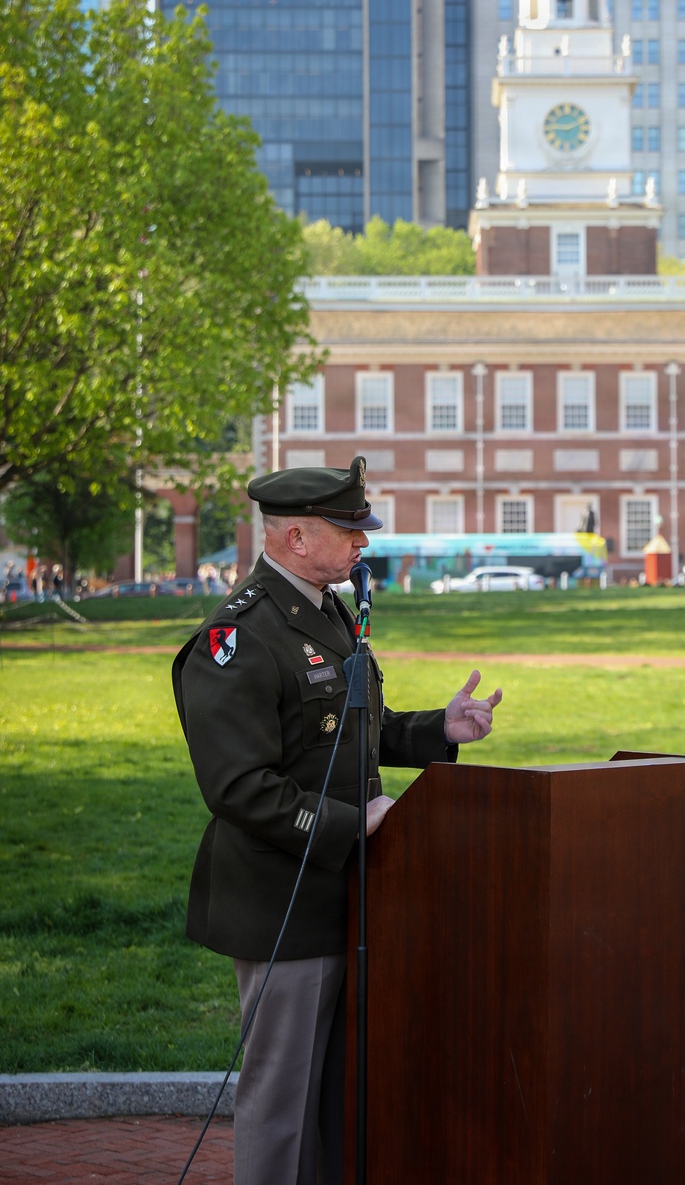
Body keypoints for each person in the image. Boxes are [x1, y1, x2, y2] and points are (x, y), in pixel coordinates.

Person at [173, 458, 503, 1184]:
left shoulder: (324, 610)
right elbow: (238, 788)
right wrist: (350, 824)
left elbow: (351, 729)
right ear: (296, 536)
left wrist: (438, 730)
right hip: (282, 902)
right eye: (348, 529)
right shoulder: (238, 639)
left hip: (350, 892)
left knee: (340, 1098)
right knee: (284, 1100)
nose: (363, 542)